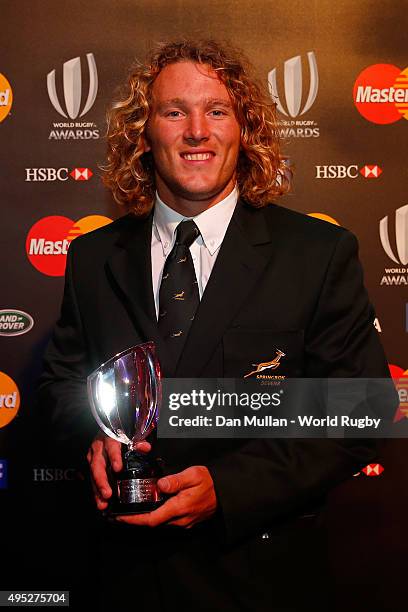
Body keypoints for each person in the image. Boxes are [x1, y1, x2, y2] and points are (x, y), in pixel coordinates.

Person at [37, 40, 393, 611]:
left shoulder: (317, 253)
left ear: (243, 130)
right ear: (143, 131)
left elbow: (359, 410)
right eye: (174, 111)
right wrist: (95, 437)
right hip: (123, 581)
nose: (197, 130)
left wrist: (229, 491)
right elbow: (59, 386)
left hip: (260, 581)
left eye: (217, 111)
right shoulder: (92, 257)